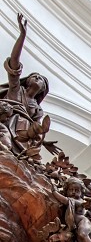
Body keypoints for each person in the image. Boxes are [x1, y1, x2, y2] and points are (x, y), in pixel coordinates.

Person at [0, 13, 50, 160]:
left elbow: (37, 129)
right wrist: (22, 35)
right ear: (27, 81)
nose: (38, 78)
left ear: (42, 89)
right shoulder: (16, 89)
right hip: (7, 123)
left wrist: (42, 140)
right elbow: (14, 61)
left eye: (41, 80)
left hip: (25, 137)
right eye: (35, 76)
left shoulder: (38, 109)